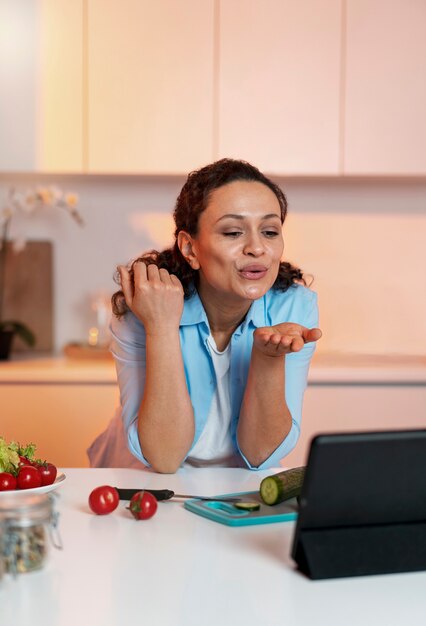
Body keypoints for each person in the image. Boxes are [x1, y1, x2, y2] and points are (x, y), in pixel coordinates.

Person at [90, 158, 321, 473]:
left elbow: (261, 455)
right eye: (232, 232)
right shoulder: (145, 308)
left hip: (238, 486)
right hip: (143, 484)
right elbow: (165, 458)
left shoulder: (293, 307)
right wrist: (161, 328)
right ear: (189, 249)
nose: (257, 248)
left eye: (269, 231)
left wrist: (268, 360)